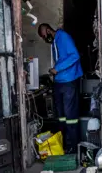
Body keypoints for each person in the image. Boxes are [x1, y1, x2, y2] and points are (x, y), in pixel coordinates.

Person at [38, 23, 83, 153]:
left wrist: (56, 69)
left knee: (70, 116)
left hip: (69, 81)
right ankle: (64, 144)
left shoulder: (63, 37)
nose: (45, 39)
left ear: (47, 30)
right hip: (59, 82)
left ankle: (73, 147)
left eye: (44, 36)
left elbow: (75, 55)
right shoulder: (55, 42)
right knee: (61, 115)